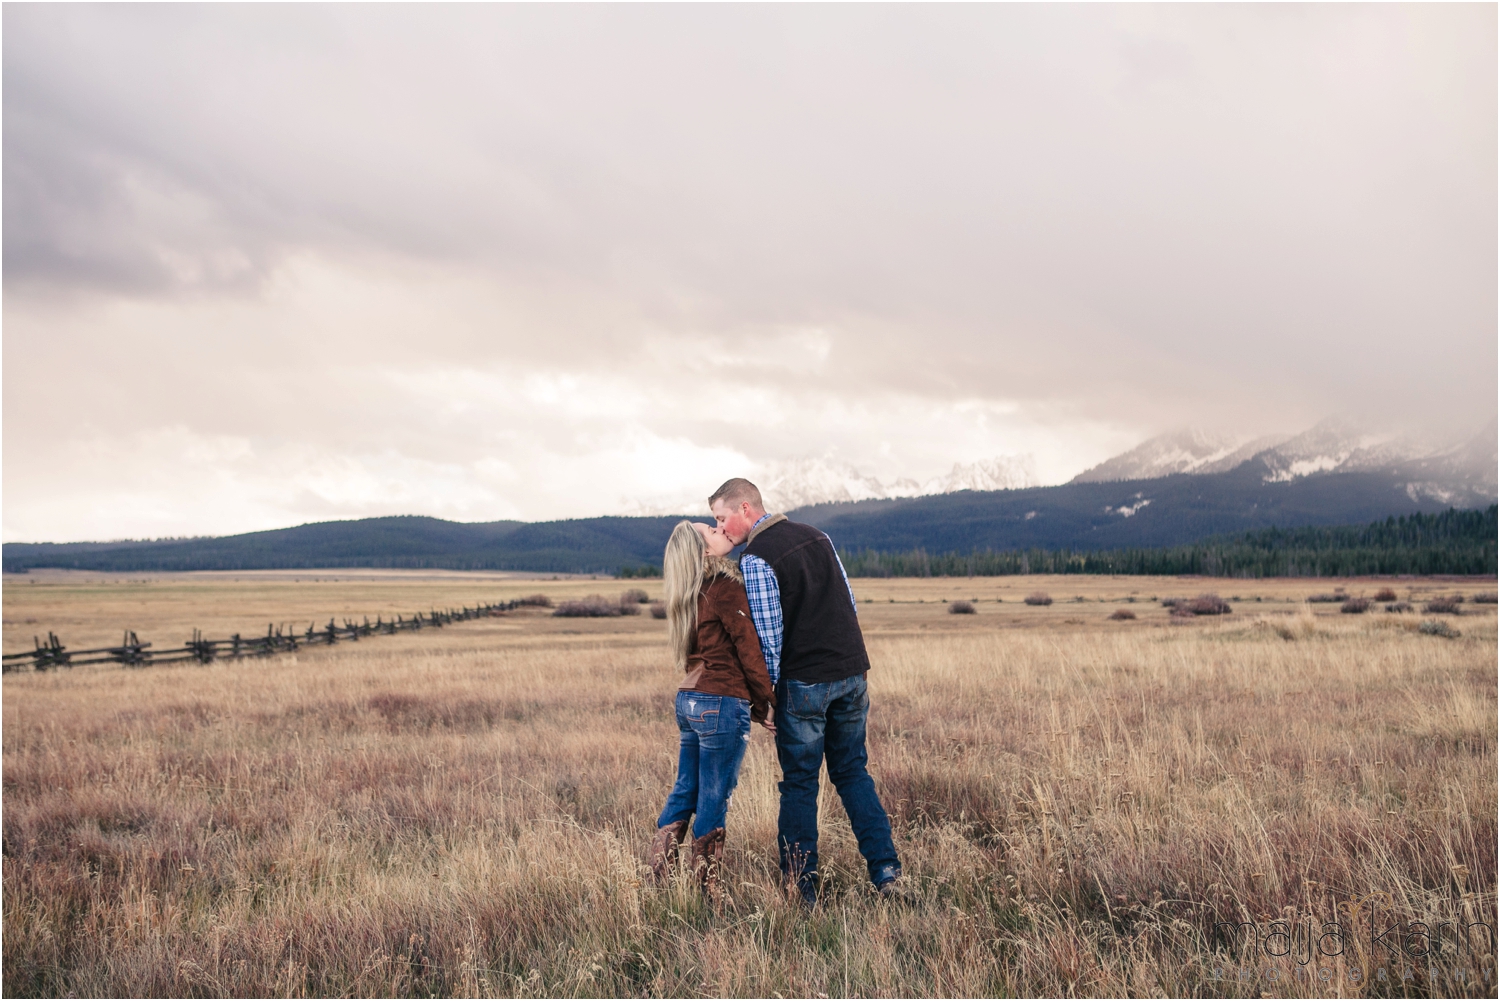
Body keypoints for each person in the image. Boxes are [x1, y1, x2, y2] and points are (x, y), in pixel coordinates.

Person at [709, 477, 901, 906]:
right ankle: (887, 872)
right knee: (853, 772)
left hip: (806, 683)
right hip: (852, 673)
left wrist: (768, 700)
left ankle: (801, 889)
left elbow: (769, 639)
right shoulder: (819, 536)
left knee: (799, 784)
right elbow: (848, 601)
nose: (721, 530)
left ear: (744, 509)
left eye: (721, 519)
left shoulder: (757, 558)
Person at [649, 519, 775, 899]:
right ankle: (708, 892)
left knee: (685, 789)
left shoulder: (688, 592)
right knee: (714, 797)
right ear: (704, 551)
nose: (720, 532)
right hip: (720, 702)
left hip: (689, 701)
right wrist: (767, 702)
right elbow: (748, 650)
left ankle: (657, 880)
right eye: (711, 532)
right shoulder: (723, 586)